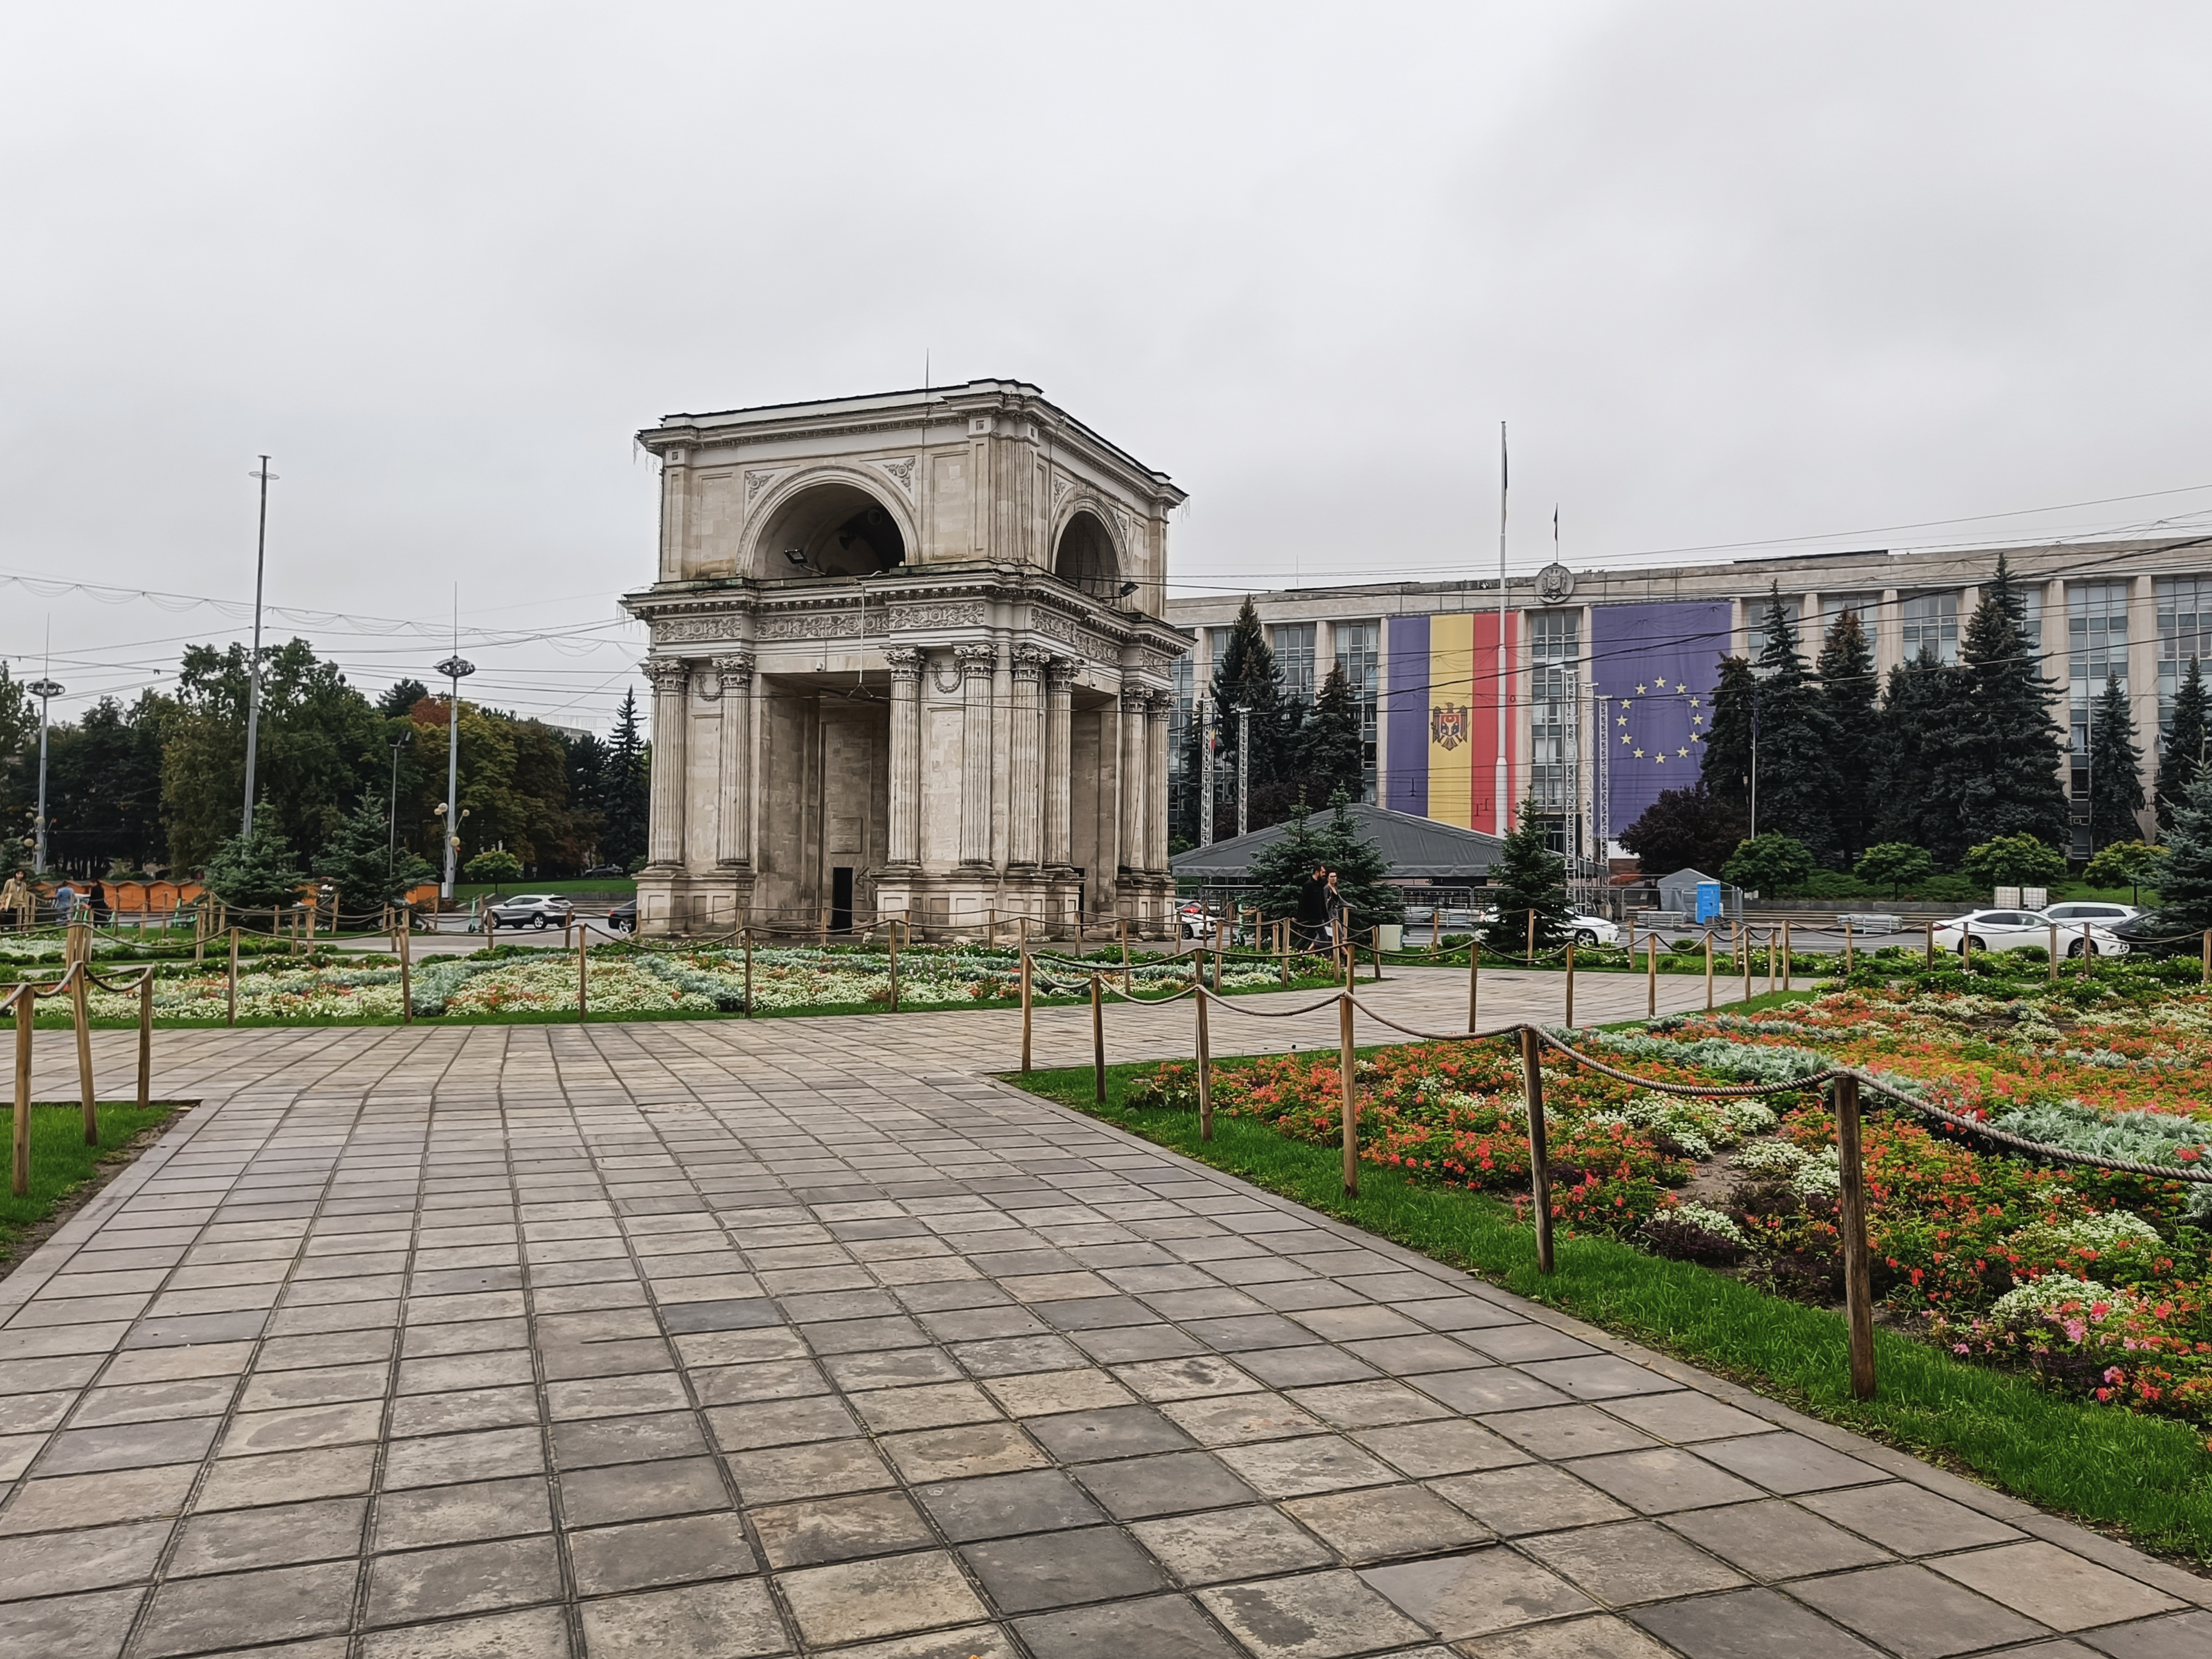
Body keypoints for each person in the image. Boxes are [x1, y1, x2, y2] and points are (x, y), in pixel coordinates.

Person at [1295, 861, 1331, 951]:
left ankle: (1295, 950)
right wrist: (1299, 916)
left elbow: (1322, 902)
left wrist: (1326, 916)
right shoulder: (1308, 885)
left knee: (1308, 935)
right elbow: (1303, 901)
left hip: (1319, 916)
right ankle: (1328, 957)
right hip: (1312, 916)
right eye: (1322, 872)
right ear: (1317, 872)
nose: (1324, 874)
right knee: (1324, 937)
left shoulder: (1320, 885)